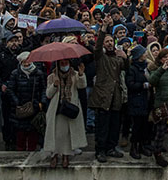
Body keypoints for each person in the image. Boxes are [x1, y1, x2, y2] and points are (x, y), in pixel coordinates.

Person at [86, 28, 129, 162]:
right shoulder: (101, 56)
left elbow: (125, 68)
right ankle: (100, 150)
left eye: (111, 41)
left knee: (114, 125)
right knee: (102, 126)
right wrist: (103, 31)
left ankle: (111, 147)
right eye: (107, 41)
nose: (110, 43)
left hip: (115, 96)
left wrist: (126, 58)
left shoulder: (117, 57)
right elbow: (97, 48)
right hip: (103, 96)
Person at [44, 58, 88, 169]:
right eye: (62, 63)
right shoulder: (52, 76)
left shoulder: (75, 75)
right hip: (57, 108)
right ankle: (54, 155)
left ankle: (66, 155)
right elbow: (48, 94)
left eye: (66, 63)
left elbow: (82, 86)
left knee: (68, 133)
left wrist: (82, 75)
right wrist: (54, 85)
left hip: (70, 106)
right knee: (56, 133)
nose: (64, 65)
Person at [6, 51, 46, 152]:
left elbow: (43, 89)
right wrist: (17, 102)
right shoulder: (15, 74)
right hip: (21, 107)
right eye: (24, 62)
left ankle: (32, 150)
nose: (27, 63)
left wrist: (42, 102)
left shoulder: (38, 73)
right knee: (21, 131)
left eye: (28, 61)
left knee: (33, 130)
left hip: (35, 106)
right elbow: (10, 89)